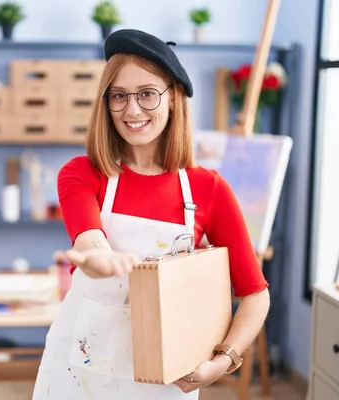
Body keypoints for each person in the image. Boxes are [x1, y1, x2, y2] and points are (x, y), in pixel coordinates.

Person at [32, 28, 271, 399]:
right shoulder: (83, 173)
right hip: (77, 374)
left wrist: (223, 361)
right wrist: (99, 261)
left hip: (167, 379)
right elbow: (90, 237)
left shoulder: (208, 189)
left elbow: (255, 295)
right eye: (119, 96)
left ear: (173, 98)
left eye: (147, 94)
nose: (132, 110)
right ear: (105, 103)